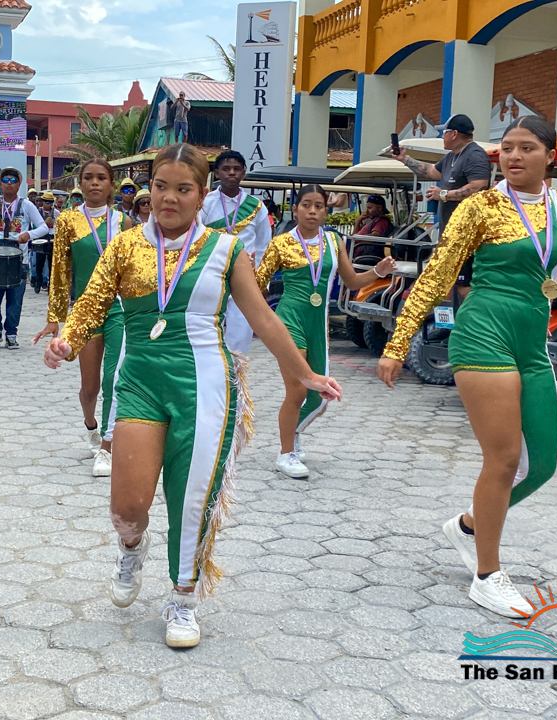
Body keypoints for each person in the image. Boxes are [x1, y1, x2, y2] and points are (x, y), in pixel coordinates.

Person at [43, 144, 341, 648]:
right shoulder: (125, 245)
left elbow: (264, 318)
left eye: (183, 189)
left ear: (202, 195)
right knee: (127, 506)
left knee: (193, 497)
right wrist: (67, 340)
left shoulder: (226, 249)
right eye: (161, 186)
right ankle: (131, 548)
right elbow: (91, 303)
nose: (170, 197)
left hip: (204, 385)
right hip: (140, 382)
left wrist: (306, 373)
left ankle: (183, 599)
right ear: (150, 188)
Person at [377, 117, 557, 618]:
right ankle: (488, 576)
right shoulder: (480, 206)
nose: (513, 156)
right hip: (483, 333)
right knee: (505, 459)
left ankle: (468, 526)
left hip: (531, 341)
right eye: (506, 148)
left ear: (549, 156)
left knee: (541, 465)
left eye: (526, 148)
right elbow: (438, 273)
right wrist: (397, 343)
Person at [257, 185, 396, 478]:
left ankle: (292, 433)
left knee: (319, 398)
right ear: (295, 209)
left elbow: (352, 281)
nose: (312, 211)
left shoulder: (334, 241)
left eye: (318, 206)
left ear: (326, 210)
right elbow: (257, 285)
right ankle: (286, 454)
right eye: (306, 205)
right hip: (289, 321)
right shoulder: (281, 244)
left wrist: (379, 272)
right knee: (297, 390)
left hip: (318, 323)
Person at [35, 159, 133, 477]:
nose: (94, 183)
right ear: (80, 183)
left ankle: (107, 447)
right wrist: (55, 317)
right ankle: (91, 424)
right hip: (86, 310)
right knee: (90, 388)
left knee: (114, 379)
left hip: (119, 309)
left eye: (101, 177)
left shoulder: (124, 222)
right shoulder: (68, 220)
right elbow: (60, 270)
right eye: (88, 177)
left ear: (111, 184)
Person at [395, 114, 491, 292]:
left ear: (454, 134)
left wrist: (444, 194)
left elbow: (479, 187)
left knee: (465, 287)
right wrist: (405, 159)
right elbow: (432, 171)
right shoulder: (451, 157)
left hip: (467, 236)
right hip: (451, 236)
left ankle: (470, 312)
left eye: (444, 132)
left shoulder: (474, 155)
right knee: (452, 286)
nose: (441, 137)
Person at [200, 150, 272, 354]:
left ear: (243, 173)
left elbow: (264, 245)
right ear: (217, 173)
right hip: (212, 273)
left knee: (241, 333)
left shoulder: (256, 207)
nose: (231, 173)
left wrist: (263, 282)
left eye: (236, 169)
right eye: (226, 169)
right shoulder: (205, 204)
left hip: (244, 277)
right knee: (208, 329)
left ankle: (237, 373)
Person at [0, 168, 48, 349]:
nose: (9, 183)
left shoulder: (27, 205)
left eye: (13, 180)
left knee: (15, 300)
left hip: (19, 261)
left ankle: (11, 334)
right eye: (6, 180)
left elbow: (43, 227)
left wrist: (29, 234)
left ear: (19, 184)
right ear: (0, 184)